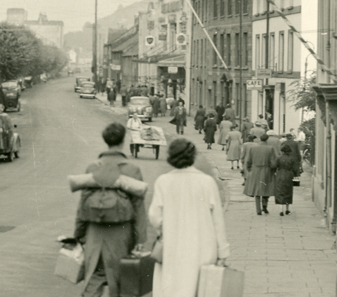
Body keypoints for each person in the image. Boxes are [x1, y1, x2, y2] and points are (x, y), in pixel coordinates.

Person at [148, 139, 230, 297]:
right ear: (193, 156)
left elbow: (155, 217)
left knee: (172, 288)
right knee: (200, 289)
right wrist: (223, 253)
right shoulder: (207, 182)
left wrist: (166, 228)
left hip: (172, 248)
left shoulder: (163, 181)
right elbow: (217, 221)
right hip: (203, 247)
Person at [74, 123, 147, 297]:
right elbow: (138, 207)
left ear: (105, 141)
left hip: (95, 234)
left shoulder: (93, 168)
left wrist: (78, 234)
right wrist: (140, 239)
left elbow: (83, 205)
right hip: (122, 235)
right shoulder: (132, 170)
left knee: (93, 279)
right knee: (122, 281)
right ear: (123, 141)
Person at [243, 134, 277, 215]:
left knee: (257, 190)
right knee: (266, 188)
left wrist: (249, 169)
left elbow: (248, 161)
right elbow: (273, 162)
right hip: (266, 170)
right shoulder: (270, 148)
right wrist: (273, 170)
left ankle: (258, 210)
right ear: (267, 140)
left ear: (259, 140)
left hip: (255, 170)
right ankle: (265, 206)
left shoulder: (253, 148)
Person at [274, 143, 302, 216]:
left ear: (282, 151)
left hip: (280, 174)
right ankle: (287, 209)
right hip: (289, 175)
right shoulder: (292, 159)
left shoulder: (278, 158)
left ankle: (281, 210)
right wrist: (296, 175)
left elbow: (274, 166)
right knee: (288, 191)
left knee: (280, 191)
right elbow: (296, 169)